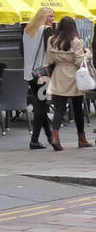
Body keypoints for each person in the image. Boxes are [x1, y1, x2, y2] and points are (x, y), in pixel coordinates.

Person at [45, 17, 92, 150]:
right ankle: (81, 139)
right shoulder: (77, 41)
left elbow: (49, 60)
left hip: (58, 74)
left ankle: (55, 137)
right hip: (74, 76)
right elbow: (78, 61)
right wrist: (88, 54)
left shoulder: (52, 40)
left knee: (59, 109)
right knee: (77, 108)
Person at [22, 8, 58, 149]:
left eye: (53, 16)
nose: (52, 19)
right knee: (41, 104)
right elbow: (50, 51)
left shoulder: (26, 30)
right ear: (43, 17)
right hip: (42, 73)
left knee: (40, 103)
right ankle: (35, 139)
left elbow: (21, 50)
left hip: (29, 73)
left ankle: (48, 136)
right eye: (50, 16)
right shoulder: (47, 30)